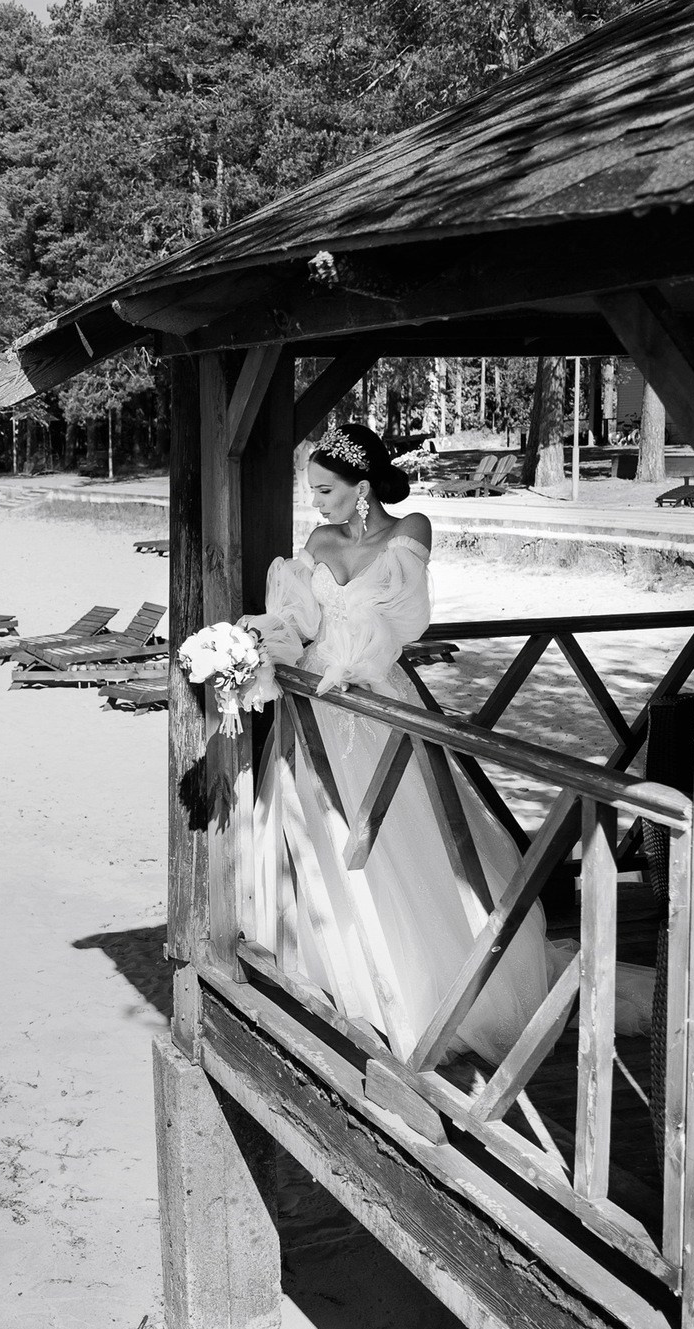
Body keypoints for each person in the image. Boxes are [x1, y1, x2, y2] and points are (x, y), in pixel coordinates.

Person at [235, 423, 553, 1066]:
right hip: (315, 704)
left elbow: (408, 620)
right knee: (320, 830)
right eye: (312, 492)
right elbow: (302, 624)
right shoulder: (318, 541)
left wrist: (355, 658)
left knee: (396, 833)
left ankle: (412, 990)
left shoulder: (411, 532)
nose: (317, 503)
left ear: (363, 486)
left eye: (325, 489)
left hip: (376, 696)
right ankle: (336, 973)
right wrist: (258, 642)